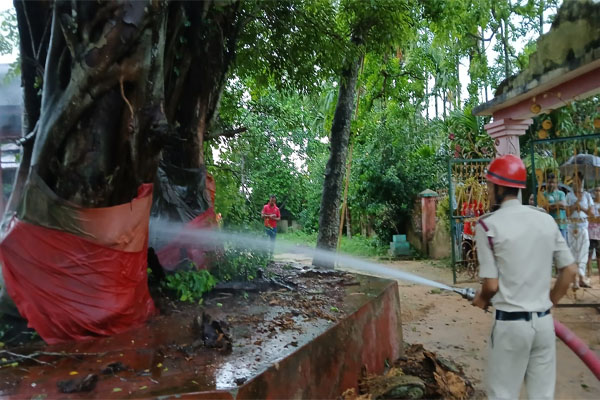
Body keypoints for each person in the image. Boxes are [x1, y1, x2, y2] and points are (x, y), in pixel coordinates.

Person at [472, 154, 576, 400]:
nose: (487, 192)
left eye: (488, 186)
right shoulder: (545, 220)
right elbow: (570, 270)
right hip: (543, 324)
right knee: (542, 396)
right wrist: (549, 302)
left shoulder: (488, 225)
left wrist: (481, 299)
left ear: (498, 188)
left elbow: (491, 285)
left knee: (503, 395)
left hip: (510, 325)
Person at [565, 172, 593, 288]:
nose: (576, 183)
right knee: (573, 253)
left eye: (578, 181)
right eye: (574, 180)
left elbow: (591, 213)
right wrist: (573, 206)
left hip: (583, 227)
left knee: (584, 252)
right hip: (572, 228)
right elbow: (567, 213)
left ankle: (581, 277)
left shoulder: (587, 195)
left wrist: (581, 207)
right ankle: (575, 279)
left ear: (582, 181)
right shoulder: (569, 196)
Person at [543, 174, 567, 239]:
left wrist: (550, 205)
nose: (551, 184)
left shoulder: (561, 193)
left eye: (553, 182)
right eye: (549, 182)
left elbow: (564, 205)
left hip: (561, 225)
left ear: (557, 183)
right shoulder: (544, 194)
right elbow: (544, 207)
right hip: (549, 225)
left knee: (562, 247)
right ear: (546, 183)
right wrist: (558, 205)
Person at [587, 186, 600, 281]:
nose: (598, 192)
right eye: (596, 190)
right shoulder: (591, 204)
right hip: (590, 232)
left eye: (599, 190)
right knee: (589, 255)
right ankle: (588, 274)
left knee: (599, 255)